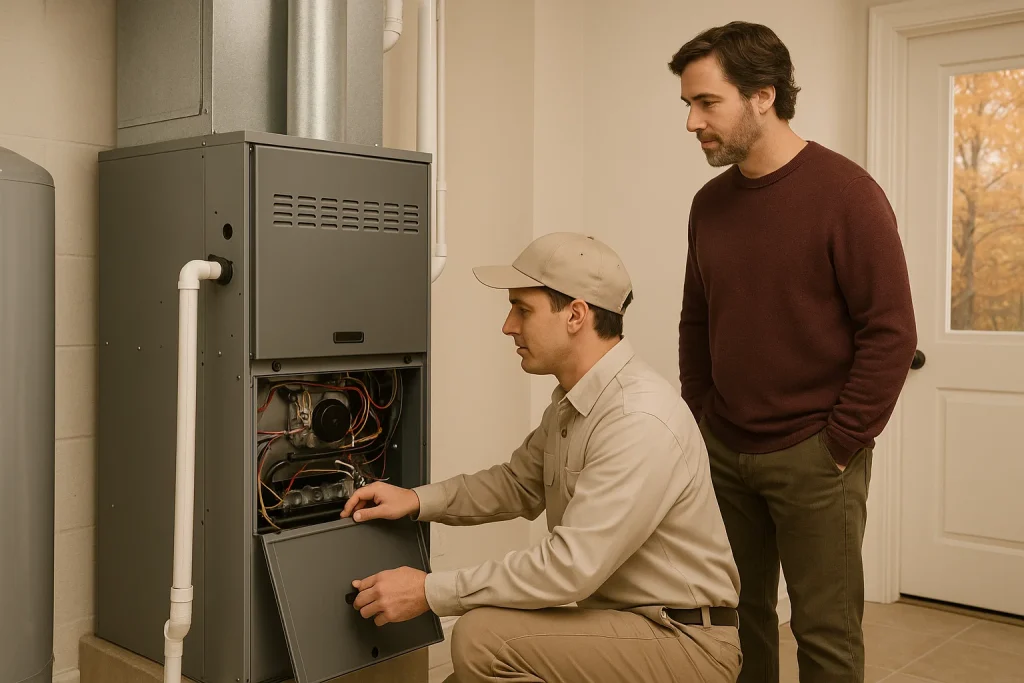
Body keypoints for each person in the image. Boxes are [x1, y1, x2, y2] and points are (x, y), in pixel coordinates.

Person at [340, 232, 743, 683]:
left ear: (575, 315)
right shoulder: (577, 402)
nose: (508, 326)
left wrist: (429, 591)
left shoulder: (637, 418)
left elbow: (570, 567)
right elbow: (516, 483)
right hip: (627, 626)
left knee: (481, 639)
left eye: (523, 309)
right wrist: (416, 500)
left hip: (685, 642)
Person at [668, 21, 918, 683]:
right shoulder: (708, 205)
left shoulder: (847, 194)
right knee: (735, 621)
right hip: (726, 450)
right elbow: (697, 319)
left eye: (707, 102)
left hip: (816, 456)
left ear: (763, 96)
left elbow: (891, 331)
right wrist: (703, 418)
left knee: (825, 633)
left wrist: (840, 442)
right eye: (687, 104)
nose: (692, 122)